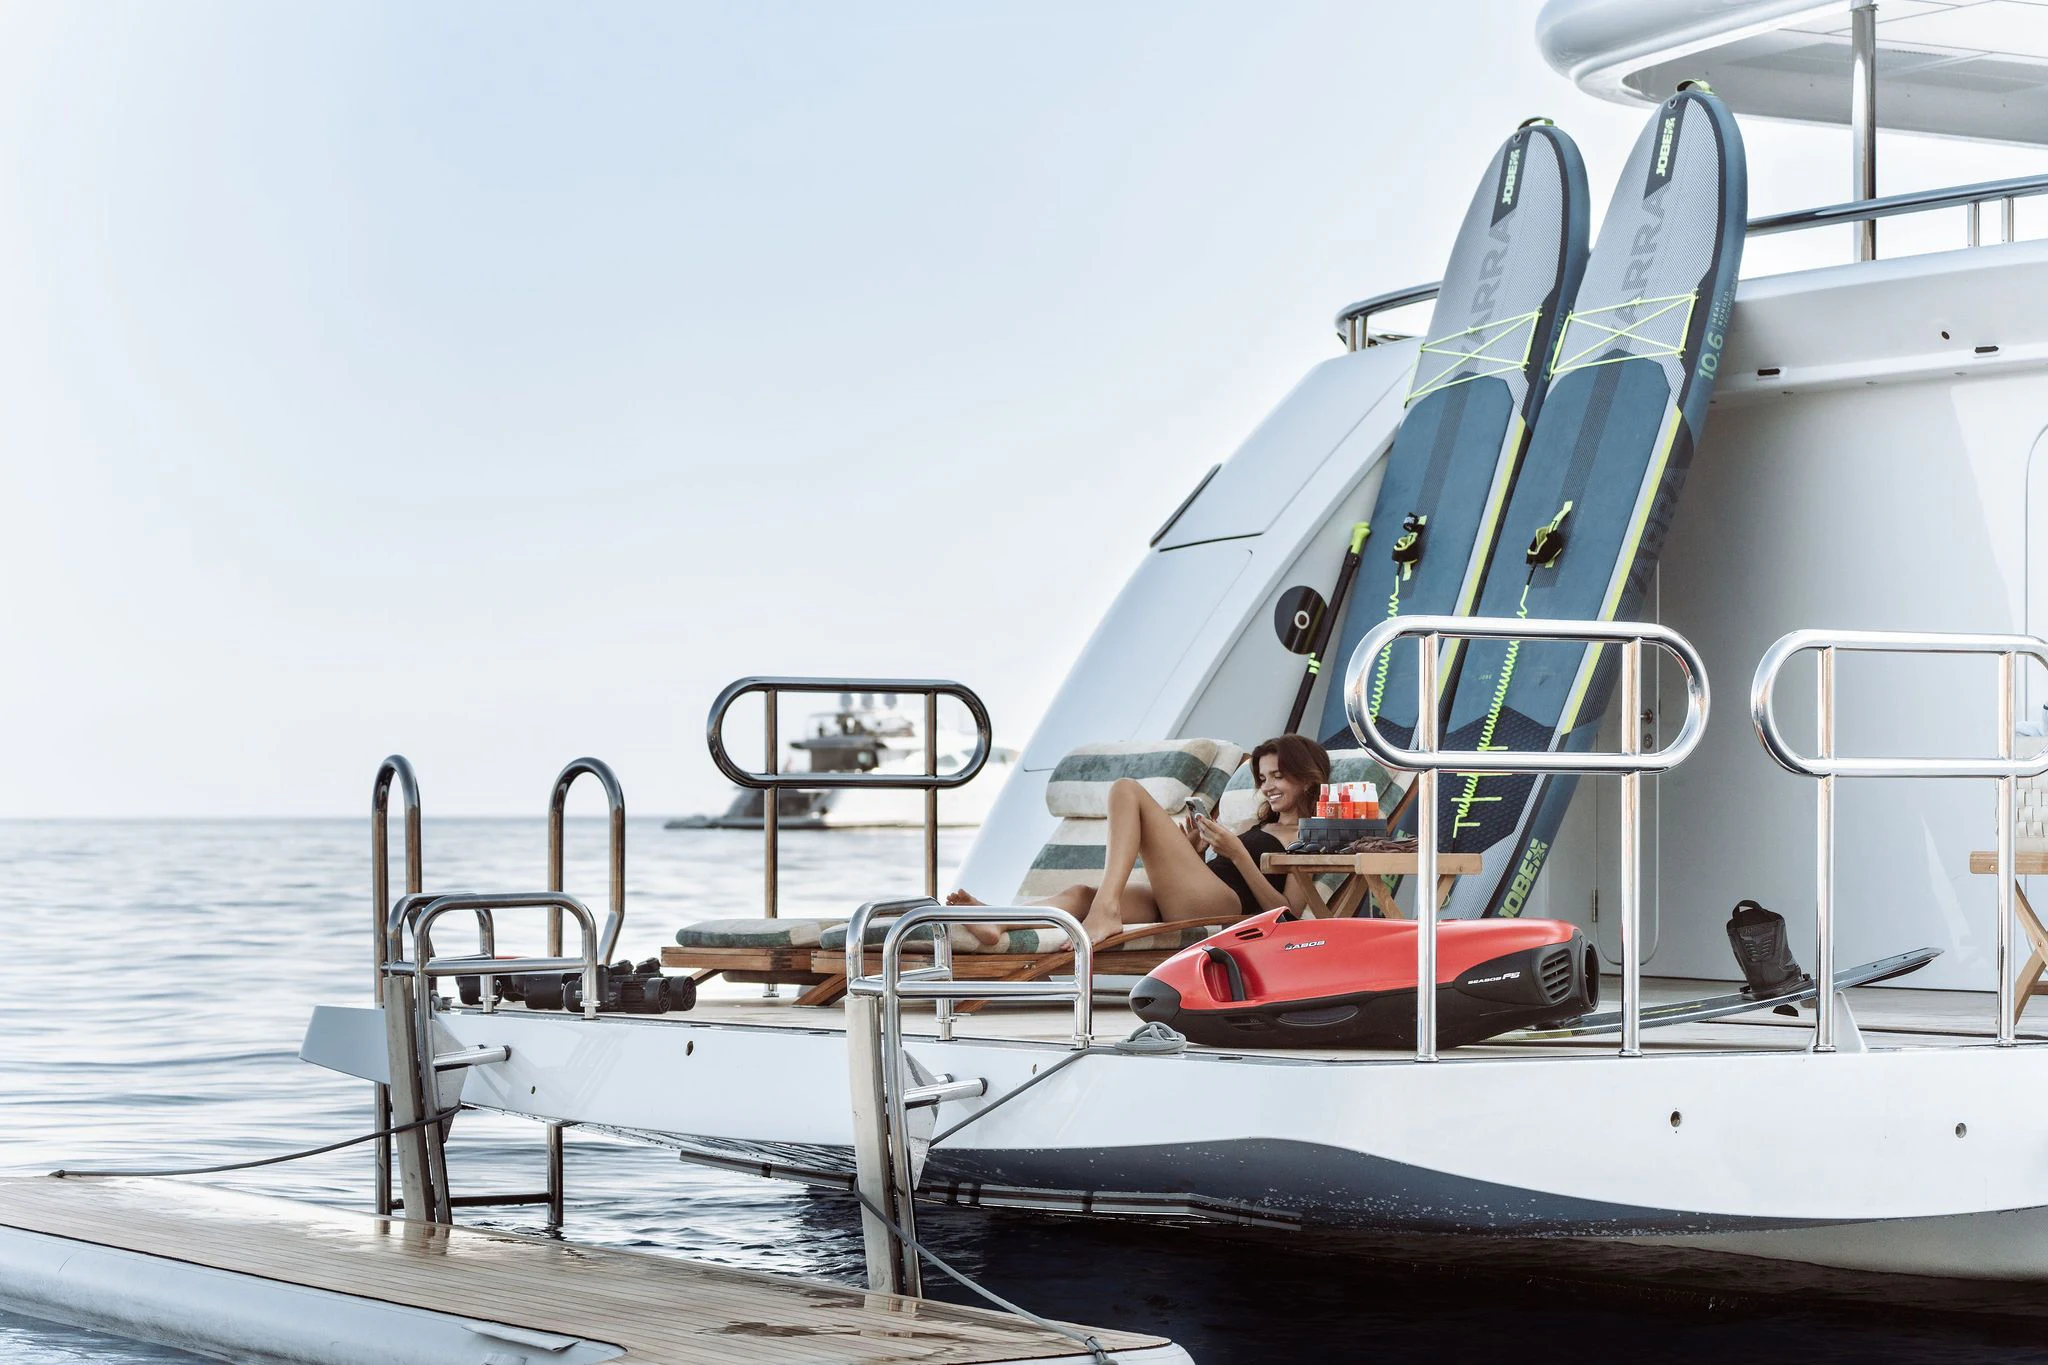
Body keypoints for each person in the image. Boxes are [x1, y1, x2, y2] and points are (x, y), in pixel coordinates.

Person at [947, 735, 1333, 945]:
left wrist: (1237, 854)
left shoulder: (1311, 837)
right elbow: (1216, 873)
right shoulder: (1255, 824)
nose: (1267, 787)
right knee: (1082, 894)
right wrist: (1195, 852)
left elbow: (1288, 915)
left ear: (1307, 778)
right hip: (1197, 896)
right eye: (1263, 779)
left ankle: (1106, 911)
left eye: (1278, 776)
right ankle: (999, 922)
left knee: (1126, 789)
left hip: (1227, 909)